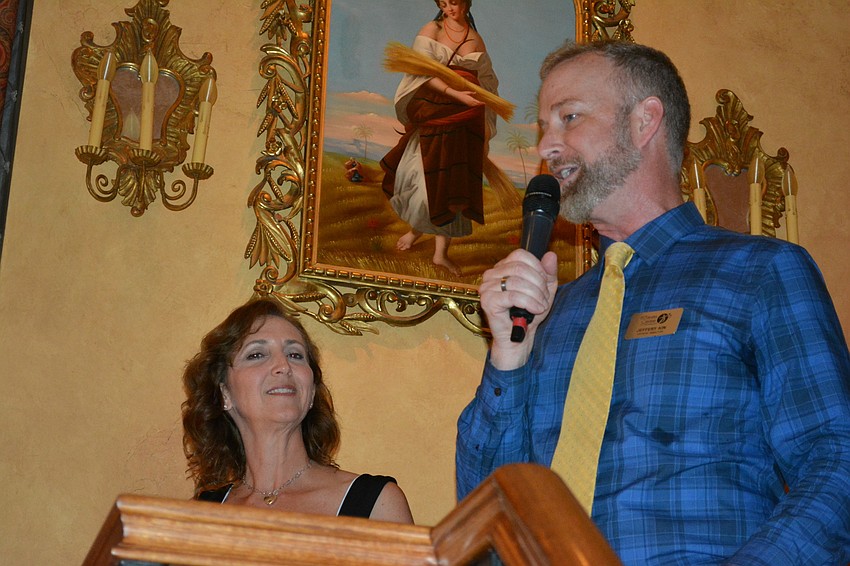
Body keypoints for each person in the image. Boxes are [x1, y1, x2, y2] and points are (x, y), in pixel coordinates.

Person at [456, 39, 850, 564]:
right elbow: (484, 510)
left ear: (644, 122)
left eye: (568, 117)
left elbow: (835, 458)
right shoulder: (553, 311)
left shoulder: (761, 271)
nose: (547, 146)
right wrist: (508, 357)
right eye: (543, 127)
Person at [182, 298, 414, 523]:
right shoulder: (198, 516)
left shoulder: (376, 505)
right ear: (224, 394)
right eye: (256, 355)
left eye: (295, 355)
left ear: (311, 392)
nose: (284, 367)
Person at [380, 0, 498, 277]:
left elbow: (487, 79)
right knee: (425, 181)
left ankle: (440, 254)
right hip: (436, 109)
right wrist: (455, 93)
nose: (448, 9)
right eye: (443, 3)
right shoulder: (431, 29)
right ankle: (415, 231)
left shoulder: (475, 37)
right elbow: (422, 73)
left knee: (453, 187)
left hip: (465, 119)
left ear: (466, 2)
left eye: (453, 2)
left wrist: (478, 96)